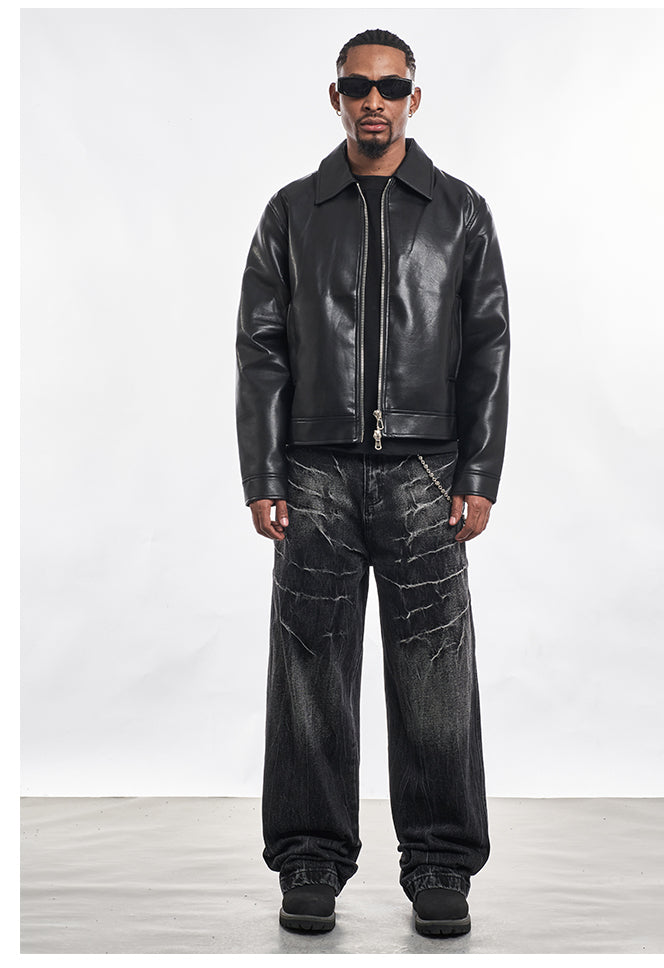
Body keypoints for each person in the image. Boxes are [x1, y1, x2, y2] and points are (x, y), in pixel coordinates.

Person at [234, 27, 510, 937]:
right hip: (314, 470)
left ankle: (441, 865)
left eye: (391, 86)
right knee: (309, 668)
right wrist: (263, 471)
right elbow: (262, 350)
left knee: (435, 669)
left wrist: (478, 471)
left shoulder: (459, 211)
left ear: (413, 98)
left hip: (427, 471)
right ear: (337, 97)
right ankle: (310, 859)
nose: (374, 101)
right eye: (358, 86)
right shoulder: (292, 211)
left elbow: (488, 348)